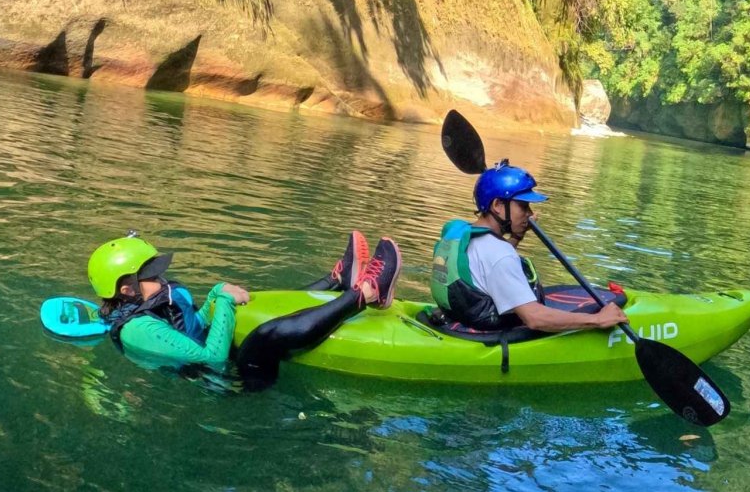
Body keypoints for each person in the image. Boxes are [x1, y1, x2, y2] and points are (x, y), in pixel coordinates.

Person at [86, 231, 400, 391]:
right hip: (226, 383)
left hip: (222, 355)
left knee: (258, 304)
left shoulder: (151, 301)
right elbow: (211, 359)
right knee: (268, 333)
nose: (162, 277)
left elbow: (192, 325)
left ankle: (336, 282)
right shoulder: (138, 329)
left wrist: (212, 298)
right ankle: (367, 294)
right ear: (127, 290)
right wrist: (222, 301)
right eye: (152, 274)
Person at [430, 161, 625, 333]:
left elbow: (486, 269)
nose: (530, 214)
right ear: (497, 204)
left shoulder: (459, 231)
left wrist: (516, 236)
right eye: (523, 207)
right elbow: (534, 318)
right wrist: (597, 320)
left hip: (457, 314)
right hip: (488, 326)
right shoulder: (500, 254)